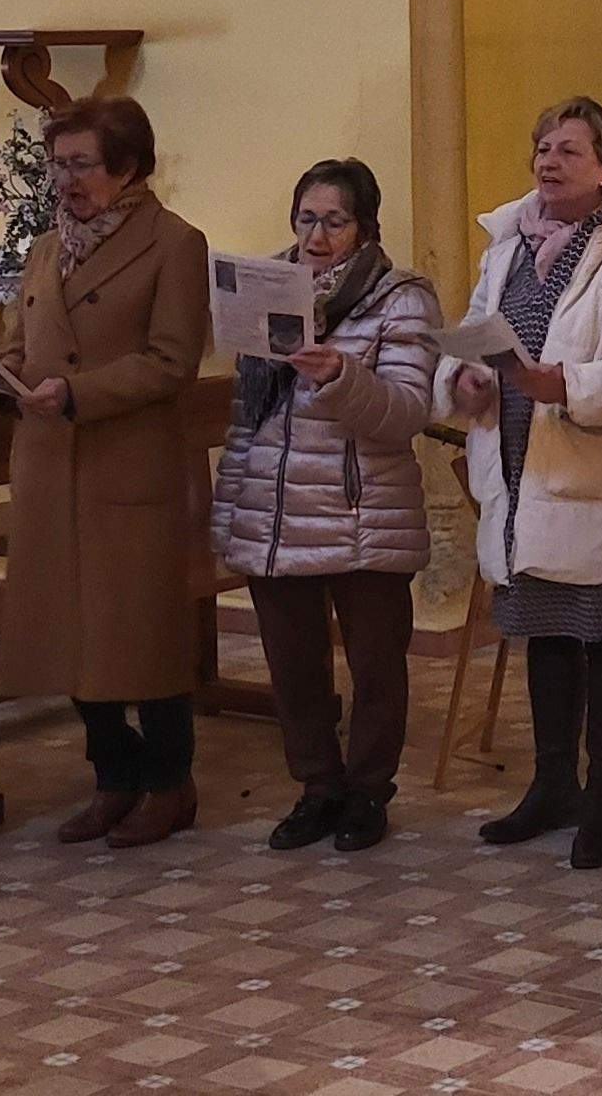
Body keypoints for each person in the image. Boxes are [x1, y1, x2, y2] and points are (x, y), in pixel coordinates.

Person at [437, 97, 602, 870]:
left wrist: (570, 385)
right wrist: (467, 383)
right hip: (520, 470)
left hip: (597, 470)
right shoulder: (507, 244)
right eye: (542, 147)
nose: (548, 161)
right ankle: (554, 784)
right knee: (545, 631)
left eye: (568, 151)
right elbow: (477, 327)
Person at [0, 96, 217, 850]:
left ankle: (168, 783)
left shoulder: (175, 244)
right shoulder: (45, 249)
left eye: (81, 163)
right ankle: (112, 778)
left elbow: (172, 361)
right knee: (68, 637)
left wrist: (79, 393)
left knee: (139, 638)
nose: (65, 179)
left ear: (128, 167)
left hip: (126, 468)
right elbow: (22, 343)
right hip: (52, 467)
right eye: (58, 164)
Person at [208, 157, 444, 853]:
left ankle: (368, 790)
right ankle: (316, 786)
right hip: (275, 513)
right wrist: (232, 510)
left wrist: (339, 374)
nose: (316, 235)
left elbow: (405, 413)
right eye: (306, 218)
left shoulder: (401, 298)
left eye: (334, 221)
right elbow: (245, 414)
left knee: (376, 666)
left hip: (362, 510)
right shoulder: (267, 286)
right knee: (292, 666)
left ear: (365, 228)